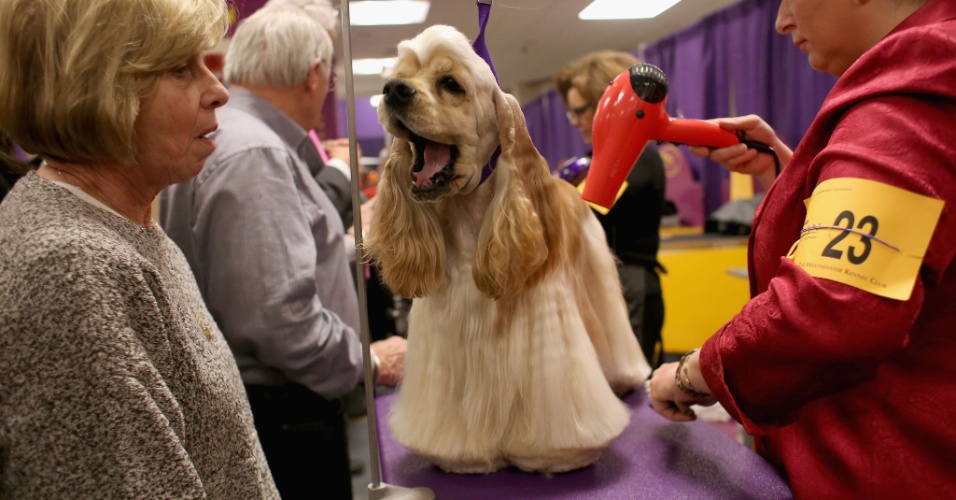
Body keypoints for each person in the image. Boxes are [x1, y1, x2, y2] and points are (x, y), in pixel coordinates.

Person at [648, 0, 956, 496]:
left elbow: (831, 309)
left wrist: (690, 373)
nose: (781, 21)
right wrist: (790, 180)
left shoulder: (917, 83)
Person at [0, 0, 280, 497]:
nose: (217, 91)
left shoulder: (125, 224)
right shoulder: (70, 268)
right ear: (98, 85)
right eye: (179, 68)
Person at [160, 6, 405, 499]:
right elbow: (280, 321)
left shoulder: (227, 139)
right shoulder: (259, 154)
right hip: (284, 418)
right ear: (315, 75)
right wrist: (369, 362)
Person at [554, 51, 667, 367]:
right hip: (606, 281)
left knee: (628, 384)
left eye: (581, 110)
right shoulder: (602, 157)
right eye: (571, 113)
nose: (575, 121)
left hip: (628, 283)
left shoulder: (637, 155)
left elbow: (587, 210)